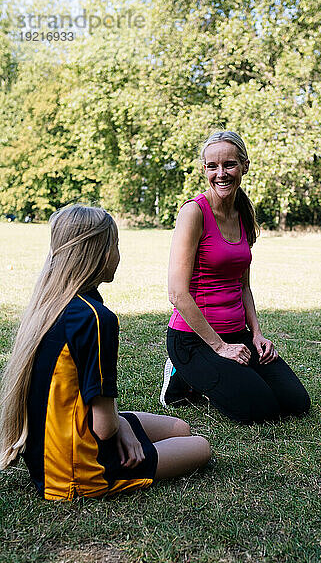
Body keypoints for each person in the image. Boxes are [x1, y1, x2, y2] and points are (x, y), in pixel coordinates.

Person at [0, 205, 210, 501]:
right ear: (98, 253)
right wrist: (117, 427)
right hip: (79, 471)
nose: (118, 255)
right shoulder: (96, 319)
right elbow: (104, 427)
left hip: (50, 456)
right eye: (115, 245)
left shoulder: (48, 305)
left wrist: (121, 424)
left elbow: (102, 417)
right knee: (200, 445)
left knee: (180, 427)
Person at [160, 130, 311, 424]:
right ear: (204, 169)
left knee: (296, 402)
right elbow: (177, 294)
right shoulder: (193, 213)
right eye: (212, 166)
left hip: (237, 336)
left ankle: (221, 373)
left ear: (244, 165)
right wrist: (220, 348)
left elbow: (244, 286)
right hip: (193, 339)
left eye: (229, 164)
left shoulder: (242, 213)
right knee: (261, 410)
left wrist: (256, 334)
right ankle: (182, 378)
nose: (221, 173)